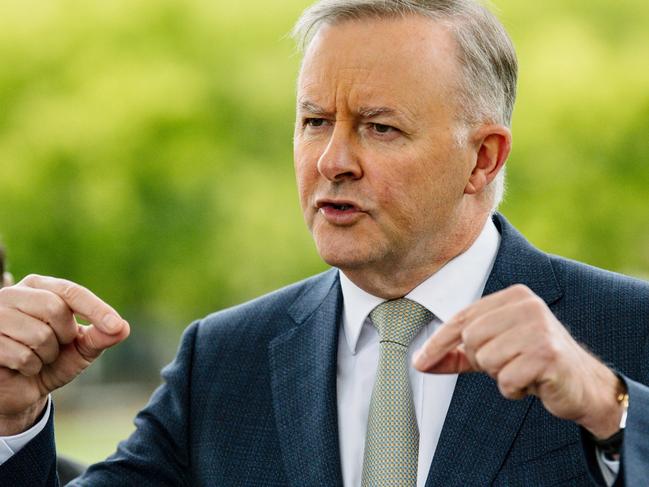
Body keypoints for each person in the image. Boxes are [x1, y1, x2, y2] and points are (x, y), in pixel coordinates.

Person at [1, 0, 648, 485]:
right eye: (314, 122)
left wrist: (610, 411)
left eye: (379, 127)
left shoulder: (624, 331)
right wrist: (15, 420)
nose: (332, 159)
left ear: (481, 158)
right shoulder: (223, 361)